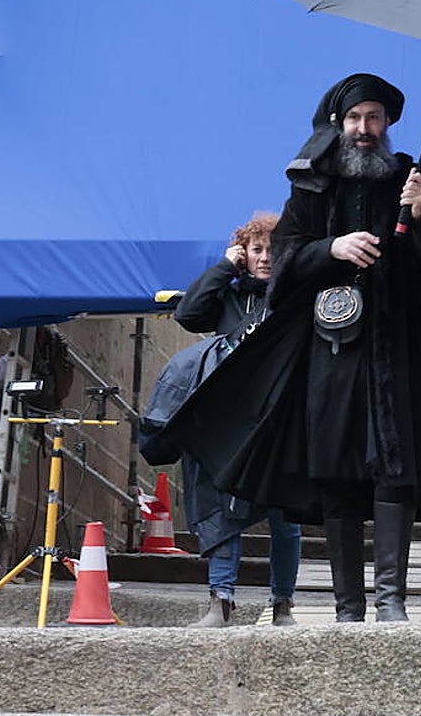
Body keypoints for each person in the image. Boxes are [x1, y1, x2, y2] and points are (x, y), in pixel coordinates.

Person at [161, 73, 421, 623]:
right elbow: (284, 266)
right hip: (332, 353)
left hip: (400, 347)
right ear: (339, 124)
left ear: (387, 123)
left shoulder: (420, 181)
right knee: (336, 469)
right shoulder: (312, 186)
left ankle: (391, 601)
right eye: (354, 118)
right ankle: (347, 607)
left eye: (373, 118)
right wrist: (333, 247)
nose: (363, 128)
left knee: (396, 465)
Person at [172, 213, 303, 627]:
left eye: (273, 250)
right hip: (229, 422)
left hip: (280, 419)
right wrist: (225, 267)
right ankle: (220, 600)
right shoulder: (228, 298)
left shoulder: (296, 295)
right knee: (222, 510)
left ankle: (282, 603)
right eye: (257, 249)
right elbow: (188, 314)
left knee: (285, 515)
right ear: (244, 253)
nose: (265, 258)